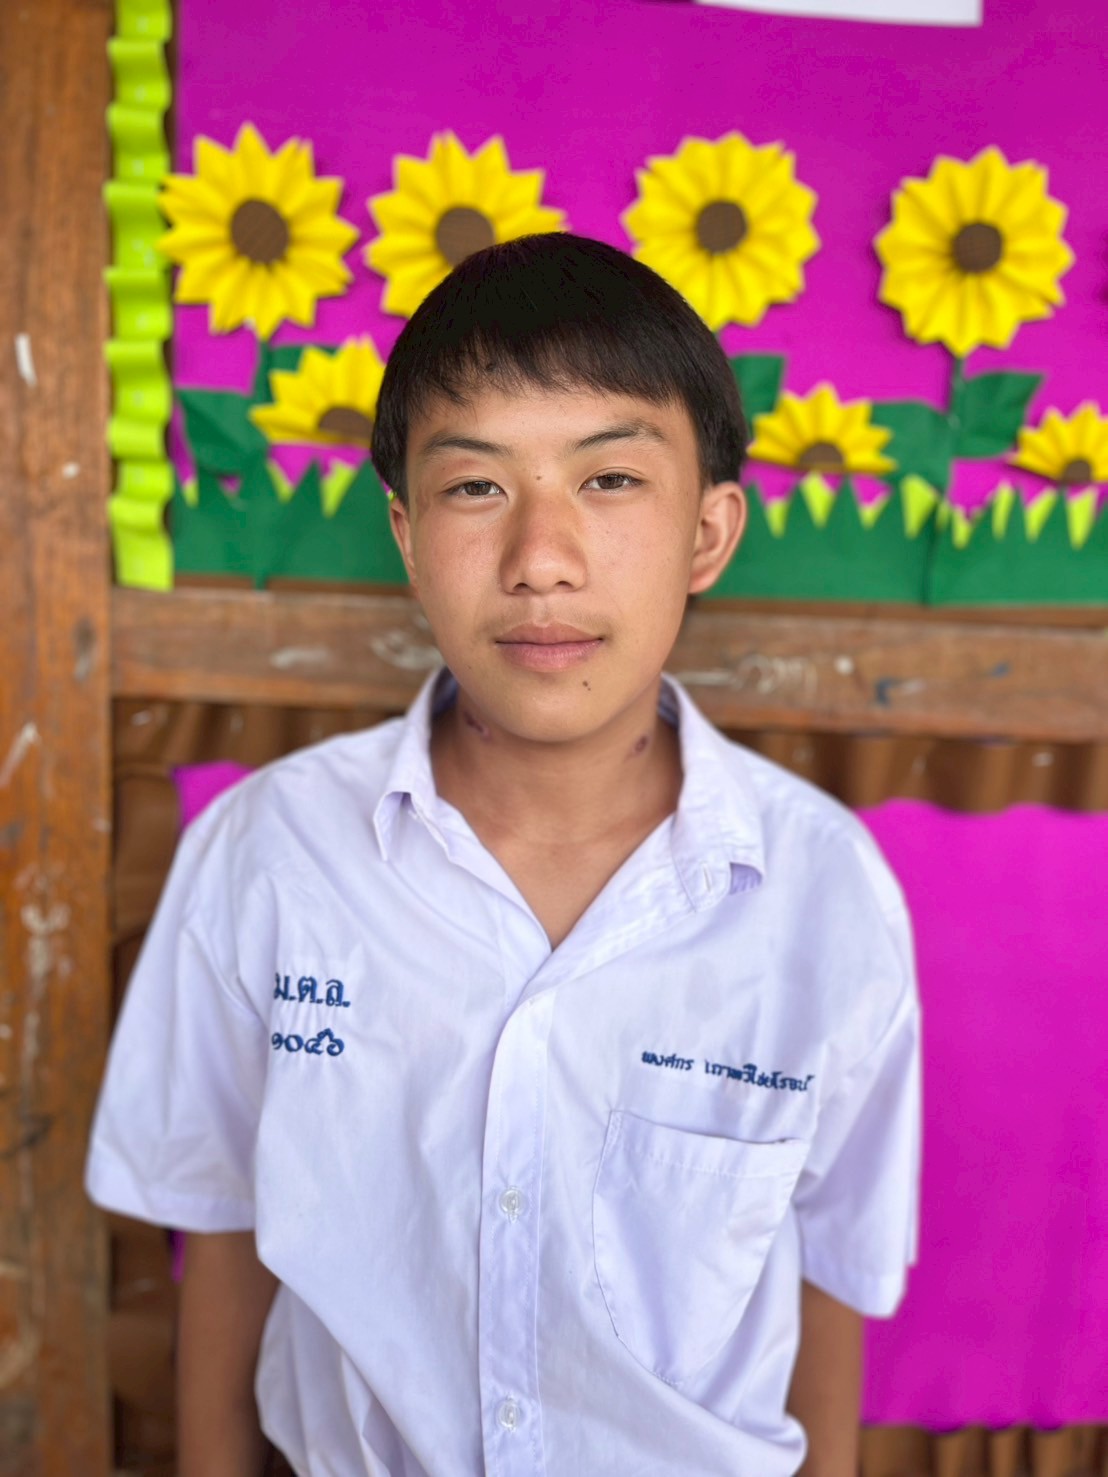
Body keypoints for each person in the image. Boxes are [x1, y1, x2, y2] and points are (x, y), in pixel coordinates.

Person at [86, 233, 920, 1477]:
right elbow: (222, 1244)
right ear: (406, 532)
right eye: (476, 487)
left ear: (707, 531)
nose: (540, 560)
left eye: (610, 479)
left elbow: (827, 1280)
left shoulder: (822, 894)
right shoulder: (269, 854)